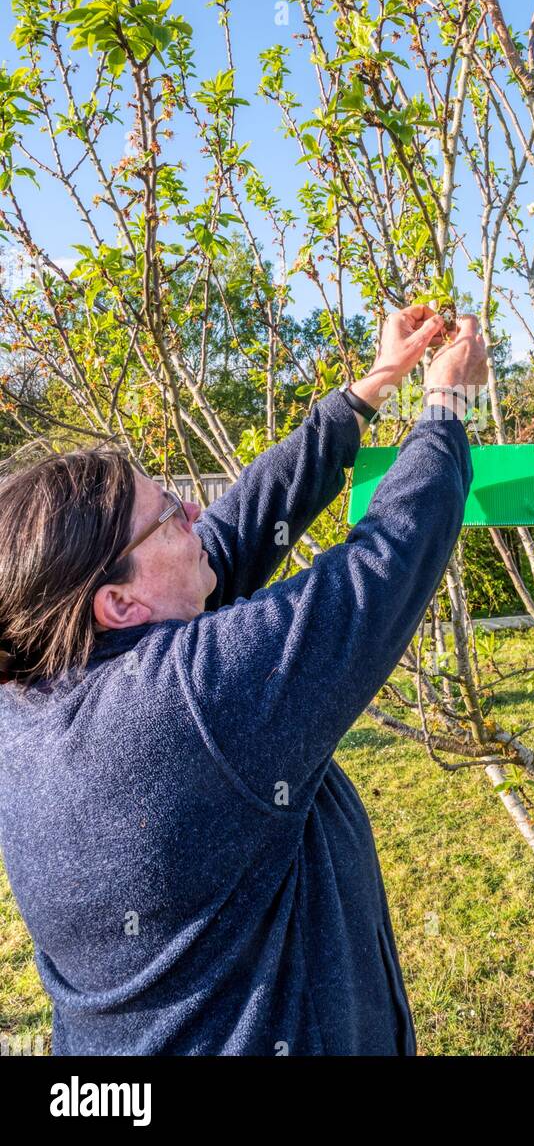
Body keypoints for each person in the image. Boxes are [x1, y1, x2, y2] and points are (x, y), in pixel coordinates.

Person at [0, 305, 490, 1056]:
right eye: (168, 516)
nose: (194, 509)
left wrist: (369, 391)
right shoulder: (181, 706)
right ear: (119, 603)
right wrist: (446, 406)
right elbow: (380, 569)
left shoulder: (36, 687)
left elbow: (232, 535)